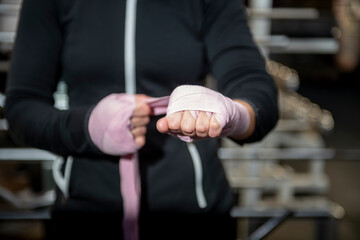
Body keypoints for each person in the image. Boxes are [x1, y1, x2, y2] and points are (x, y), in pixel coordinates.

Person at [4, 0, 278, 239]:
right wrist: (86, 127)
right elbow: (22, 107)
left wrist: (235, 115)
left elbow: (252, 86)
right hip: (85, 214)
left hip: (194, 215)